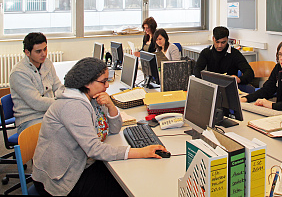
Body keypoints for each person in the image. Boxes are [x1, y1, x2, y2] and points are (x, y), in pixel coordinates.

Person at [32, 57, 167, 196]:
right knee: (124, 189)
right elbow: (94, 150)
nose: (107, 85)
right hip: (61, 180)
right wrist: (139, 152)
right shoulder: (73, 106)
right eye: (103, 81)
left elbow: (113, 130)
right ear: (87, 83)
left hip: (78, 165)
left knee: (127, 175)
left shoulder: (91, 98)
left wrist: (111, 106)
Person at [9, 32, 63, 134]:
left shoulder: (47, 63)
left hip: (50, 113)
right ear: (27, 52)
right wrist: (62, 103)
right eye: (38, 51)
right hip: (30, 119)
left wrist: (68, 96)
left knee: (74, 124)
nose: (44, 54)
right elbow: (37, 103)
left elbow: (58, 87)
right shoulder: (19, 73)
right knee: (60, 133)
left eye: (45, 49)